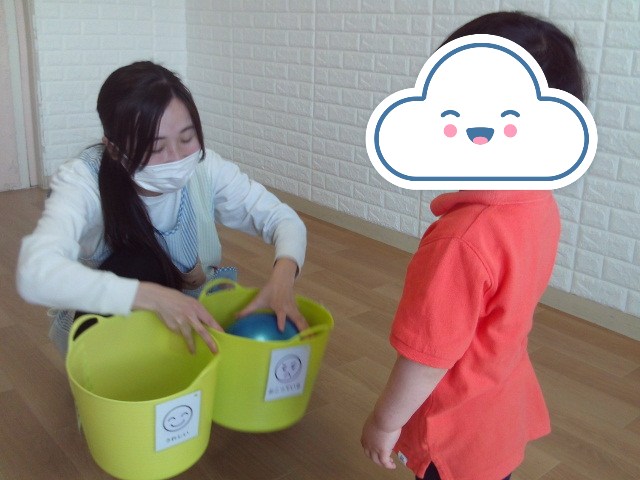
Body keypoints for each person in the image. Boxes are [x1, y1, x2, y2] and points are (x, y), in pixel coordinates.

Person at [361, 11, 587, 480]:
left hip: (455, 429)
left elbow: (426, 359)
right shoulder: (538, 204)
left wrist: (385, 422)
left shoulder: (460, 241)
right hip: (501, 406)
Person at [17, 61, 308, 356]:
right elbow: (35, 272)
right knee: (136, 265)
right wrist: (149, 296)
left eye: (187, 138)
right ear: (115, 149)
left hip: (193, 316)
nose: (176, 157)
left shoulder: (206, 169)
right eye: (155, 148)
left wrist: (282, 281)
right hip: (109, 332)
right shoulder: (82, 181)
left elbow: (282, 219)